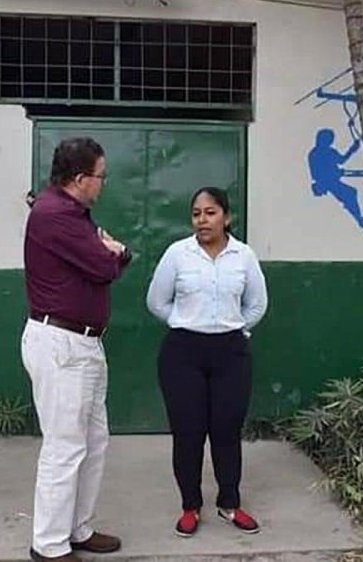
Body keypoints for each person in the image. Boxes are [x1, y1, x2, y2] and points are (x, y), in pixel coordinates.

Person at [22, 137, 132, 562]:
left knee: (92, 441)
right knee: (64, 446)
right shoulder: (55, 216)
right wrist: (117, 252)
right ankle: (49, 545)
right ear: (81, 178)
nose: (103, 184)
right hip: (62, 345)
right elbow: (104, 266)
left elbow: (99, 261)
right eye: (101, 177)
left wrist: (109, 253)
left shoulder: (72, 213)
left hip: (81, 343)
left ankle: (77, 529)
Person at [145, 187, 269, 538]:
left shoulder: (243, 256)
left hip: (231, 353)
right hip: (183, 353)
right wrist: (186, 323)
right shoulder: (177, 254)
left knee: (227, 431)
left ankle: (229, 503)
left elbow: (257, 304)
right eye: (197, 213)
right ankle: (190, 506)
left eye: (211, 212)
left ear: (226, 217)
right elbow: (157, 300)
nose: (203, 220)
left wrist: (233, 329)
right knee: (188, 433)